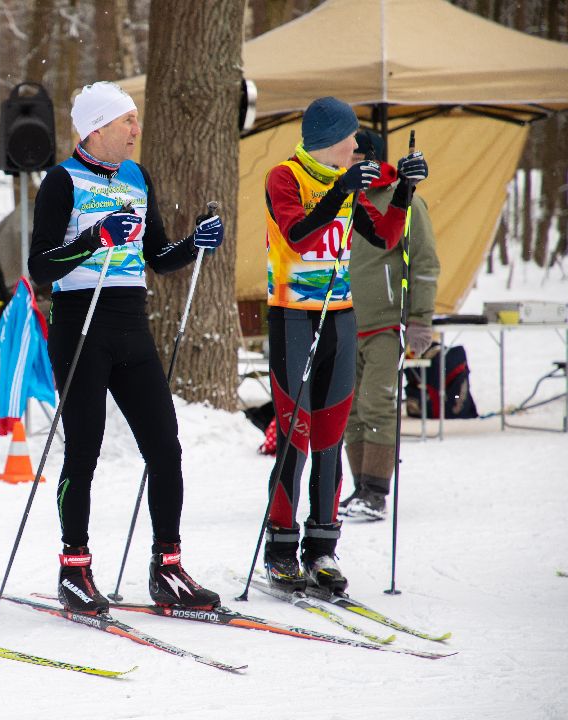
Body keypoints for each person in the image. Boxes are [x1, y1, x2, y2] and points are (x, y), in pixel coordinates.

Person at [28, 81, 224, 615]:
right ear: (96, 128)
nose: (136, 130)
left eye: (136, 120)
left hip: (130, 324)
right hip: (80, 323)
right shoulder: (60, 181)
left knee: (165, 447)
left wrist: (194, 244)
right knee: (84, 451)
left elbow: (157, 256)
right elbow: (39, 269)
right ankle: (74, 569)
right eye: (127, 121)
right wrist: (95, 239)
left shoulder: (137, 177)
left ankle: (168, 568)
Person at [261, 97, 427, 592]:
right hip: (293, 318)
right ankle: (281, 548)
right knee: (296, 437)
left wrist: (405, 191)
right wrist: (339, 192)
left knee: (330, 437)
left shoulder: (349, 181)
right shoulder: (284, 176)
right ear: (331, 138)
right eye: (351, 137)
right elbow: (296, 236)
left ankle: (323, 549)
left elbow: (385, 238)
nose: (357, 145)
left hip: (339, 319)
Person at [342, 129, 439, 521]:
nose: (347, 161)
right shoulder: (341, 199)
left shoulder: (406, 200)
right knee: (348, 408)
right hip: (345, 321)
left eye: (354, 155)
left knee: (377, 402)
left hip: (386, 322)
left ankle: (376, 492)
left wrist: (420, 319)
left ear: (370, 158)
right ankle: (360, 487)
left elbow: (425, 262)